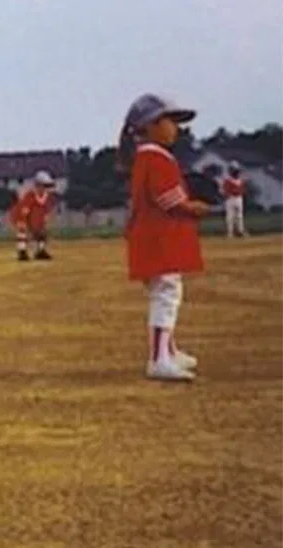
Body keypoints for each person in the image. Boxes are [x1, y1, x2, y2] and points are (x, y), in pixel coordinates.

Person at [117, 94, 209, 382]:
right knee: (166, 294)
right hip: (159, 238)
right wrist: (192, 207)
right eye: (170, 121)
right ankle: (159, 358)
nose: (175, 128)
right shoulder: (155, 157)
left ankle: (167, 350)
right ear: (151, 125)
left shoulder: (147, 156)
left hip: (152, 237)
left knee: (166, 292)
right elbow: (167, 198)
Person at [11, 170, 58, 261]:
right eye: (44, 185)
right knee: (22, 231)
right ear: (38, 185)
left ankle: (40, 251)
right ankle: (22, 251)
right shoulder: (30, 196)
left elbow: (46, 210)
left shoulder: (47, 197)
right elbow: (24, 210)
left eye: (47, 186)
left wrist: (44, 220)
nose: (45, 188)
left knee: (42, 233)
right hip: (24, 216)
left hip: (37, 218)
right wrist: (22, 221)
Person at [221, 161, 248, 238]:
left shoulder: (240, 180)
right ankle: (230, 233)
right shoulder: (227, 180)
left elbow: (243, 190)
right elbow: (225, 190)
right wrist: (230, 193)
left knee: (239, 216)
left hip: (238, 198)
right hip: (230, 199)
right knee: (230, 216)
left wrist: (237, 191)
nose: (236, 172)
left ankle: (240, 231)